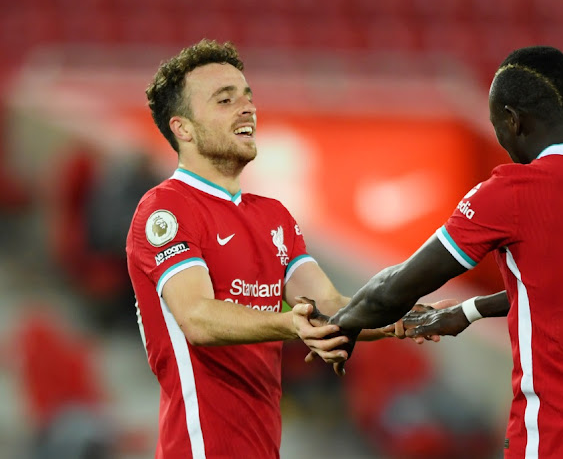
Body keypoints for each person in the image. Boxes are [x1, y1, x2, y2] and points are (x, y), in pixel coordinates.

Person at [326, 46, 563, 459]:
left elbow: (389, 293)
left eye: (497, 127)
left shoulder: (515, 194)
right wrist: (470, 310)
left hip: (562, 439)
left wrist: (338, 327)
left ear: (513, 120)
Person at [126, 39, 396, 458]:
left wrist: (414, 320)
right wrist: (292, 324)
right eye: (225, 99)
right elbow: (196, 318)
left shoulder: (273, 215)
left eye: (248, 97)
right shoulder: (165, 208)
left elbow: (332, 305)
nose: (247, 108)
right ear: (184, 128)